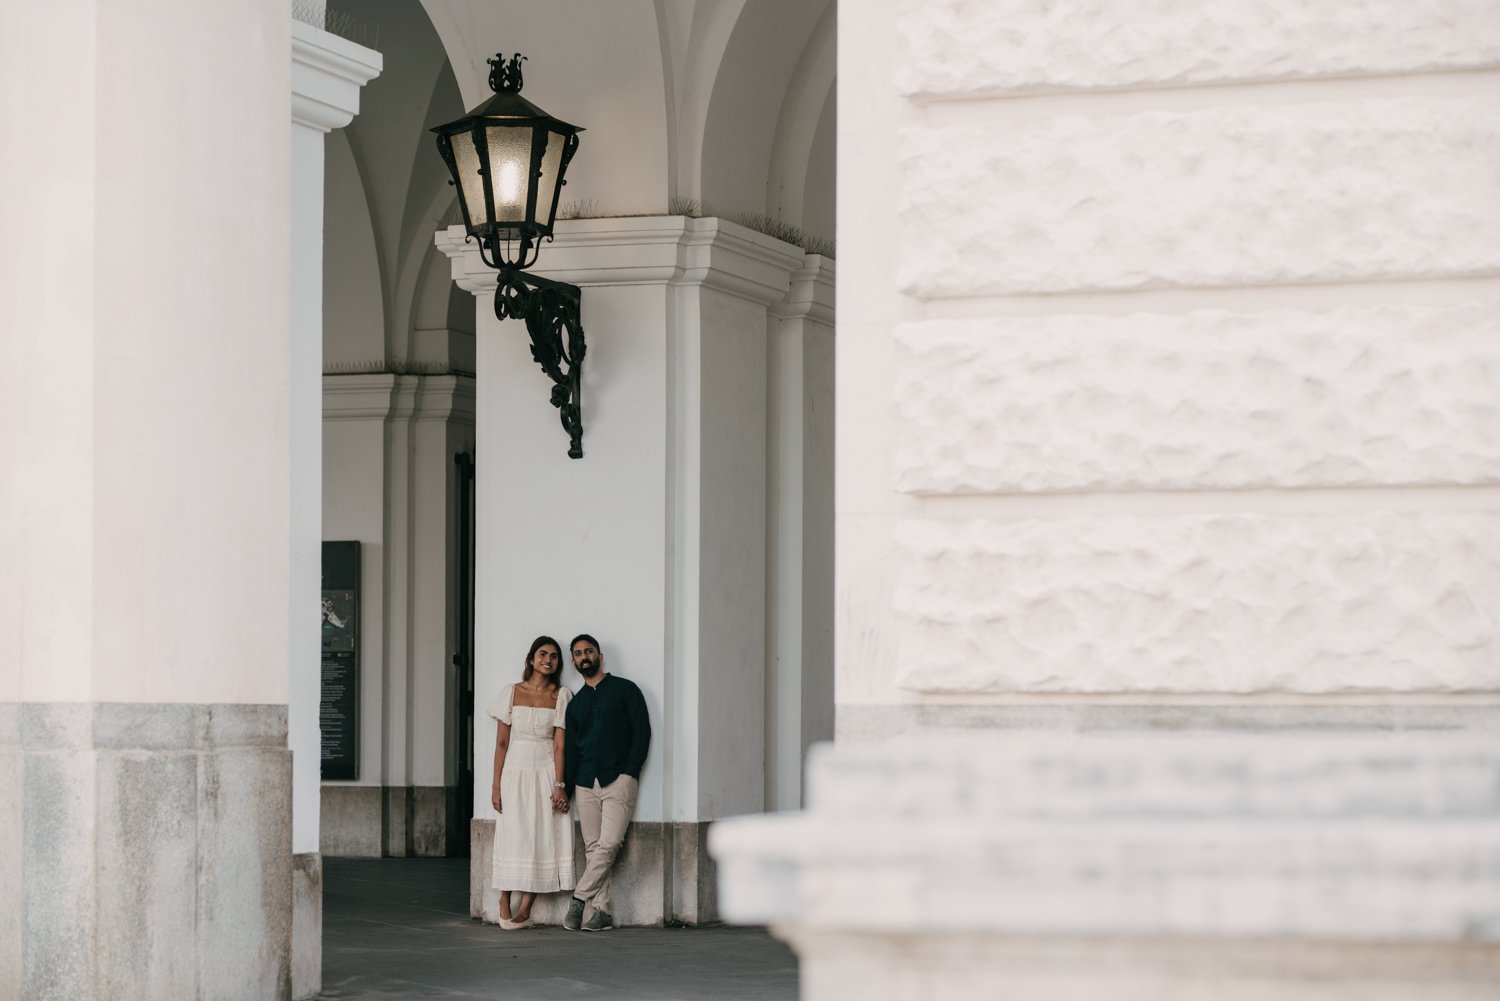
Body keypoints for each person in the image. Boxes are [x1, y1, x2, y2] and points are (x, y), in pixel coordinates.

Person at [562, 633, 650, 932]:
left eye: (588, 651)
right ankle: (602, 911)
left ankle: (578, 899)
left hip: (618, 779)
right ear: (574, 662)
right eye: (578, 654)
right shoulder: (576, 705)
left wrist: (630, 772)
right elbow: (572, 751)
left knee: (610, 843)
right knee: (593, 847)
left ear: (600, 656)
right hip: (585, 782)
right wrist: (566, 788)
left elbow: (642, 732)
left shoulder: (626, 690)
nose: (583, 657)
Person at [487, 635, 574, 930]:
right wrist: (496, 785)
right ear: (531, 659)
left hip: (546, 772)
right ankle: (503, 900)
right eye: (543, 654)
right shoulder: (511, 693)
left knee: (542, 834)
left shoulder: (561, 695)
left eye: (554, 656)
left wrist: (560, 784)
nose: (548, 660)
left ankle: (525, 909)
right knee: (512, 833)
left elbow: (560, 745)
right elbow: (501, 743)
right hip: (515, 771)